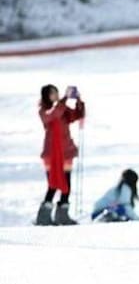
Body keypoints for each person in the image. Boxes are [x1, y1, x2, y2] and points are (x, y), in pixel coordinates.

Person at [36, 84, 85, 225]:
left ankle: (62, 215)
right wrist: (64, 99)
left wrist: (78, 101)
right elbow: (52, 115)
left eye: (56, 92)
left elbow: (76, 115)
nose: (55, 95)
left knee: (67, 185)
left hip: (66, 152)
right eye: (53, 93)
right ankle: (43, 217)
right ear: (46, 96)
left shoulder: (61, 109)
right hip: (52, 153)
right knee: (53, 184)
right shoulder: (44, 111)